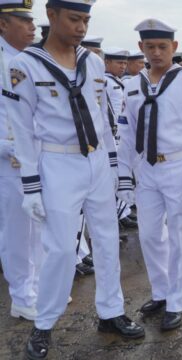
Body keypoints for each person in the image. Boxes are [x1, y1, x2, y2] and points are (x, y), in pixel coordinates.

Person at [5, 1, 145, 358]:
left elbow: (102, 116)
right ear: (51, 17)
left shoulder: (93, 62)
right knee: (60, 249)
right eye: (74, 19)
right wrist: (31, 186)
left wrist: (115, 169)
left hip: (96, 161)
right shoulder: (24, 66)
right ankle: (44, 325)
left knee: (107, 239)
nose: (81, 28)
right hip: (57, 161)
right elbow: (21, 130)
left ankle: (111, 312)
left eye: (86, 20)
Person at [117, 18, 182, 331]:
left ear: (174, 47)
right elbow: (127, 134)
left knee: (181, 237)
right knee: (149, 235)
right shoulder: (133, 86)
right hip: (147, 168)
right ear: (141, 48)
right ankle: (160, 291)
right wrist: (124, 176)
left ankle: (178, 300)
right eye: (150, 47)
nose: (156, 52)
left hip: (179, 166)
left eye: (162, 46)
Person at [0, 0, 43, 322]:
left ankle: (38, 289)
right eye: (23, 21)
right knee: (17, 234)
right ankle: (22, 297)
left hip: (36, 159)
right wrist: (7, 147)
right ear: (3, 24)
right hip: (10, 162)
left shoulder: (28, 61)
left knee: (38, 230)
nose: (32, 27)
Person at [103, 47, 137, 229]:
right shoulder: (106, 82)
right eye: (119, 62)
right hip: (111, 136)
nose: (122, 66)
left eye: (124, 62)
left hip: (120, 135)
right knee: (116, 178)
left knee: (124, 176)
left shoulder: (117, 82)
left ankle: (123, 212)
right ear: (107, 63)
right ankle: (119, 214)